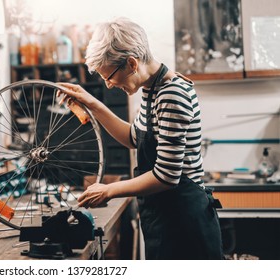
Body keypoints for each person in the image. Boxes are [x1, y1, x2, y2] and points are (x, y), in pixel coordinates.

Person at [57, 17, 224, 260]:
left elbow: (166, 176)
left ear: (132, 63)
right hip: (167, 218)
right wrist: (92, 104)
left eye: (110, 76)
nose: (109, 84)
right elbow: (133, 137)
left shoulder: (171, 94)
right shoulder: (151, 89)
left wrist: (108, 190)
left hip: (185, 225)